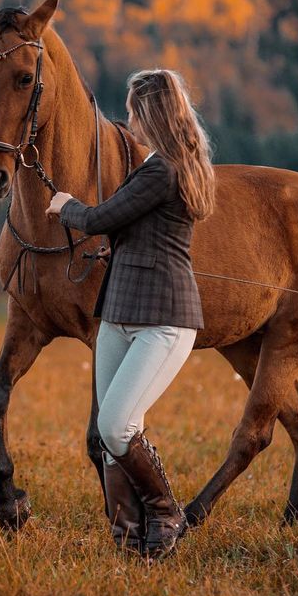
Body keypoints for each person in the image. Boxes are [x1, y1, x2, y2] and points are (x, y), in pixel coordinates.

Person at [45, 69, 217, 560]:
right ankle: (128, 540)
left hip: (163, 320)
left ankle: (165, 512)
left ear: (151, 113)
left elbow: (101, 218)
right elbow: (132, 230)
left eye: (133, 109)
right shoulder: (158, 168)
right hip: (119, 311)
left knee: (117, 425)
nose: (128, 118)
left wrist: (66, 206)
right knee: (113, 430)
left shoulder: (163, 170)